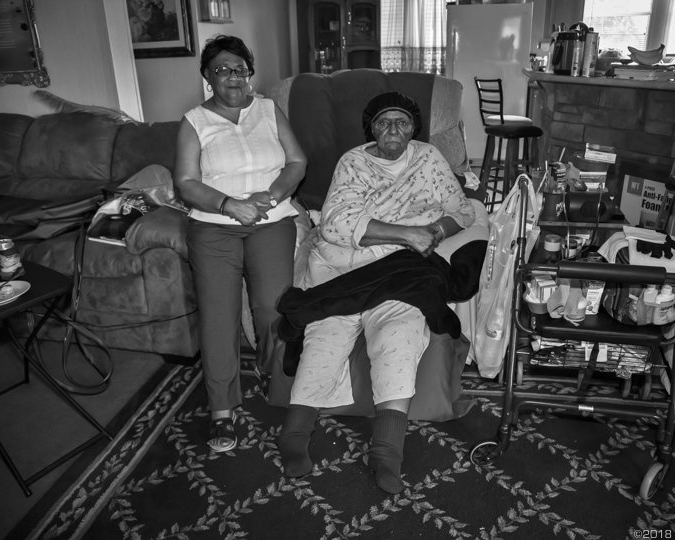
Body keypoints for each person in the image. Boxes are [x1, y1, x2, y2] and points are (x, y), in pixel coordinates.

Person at [277, 92, 475, 493]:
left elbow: (463, 209)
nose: (392, 131)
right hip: (344, 265)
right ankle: (294, 437)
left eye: (402, 122)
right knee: (325, 336)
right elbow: (334, 224)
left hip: (401, 271)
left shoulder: (428, 159)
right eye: (383, 122)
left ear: (414, 128)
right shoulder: (353, 161)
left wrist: (435, 232)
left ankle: (386, 452)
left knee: (397, 339)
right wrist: (408, 233)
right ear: (371, 127)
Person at [174, 35, 307, 453]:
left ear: (250, 72)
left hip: (271, 221)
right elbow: (185, 182)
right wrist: (229, 204)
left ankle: (277, 382)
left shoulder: (268, 109)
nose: (233, 77)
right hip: (213, 226)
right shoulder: (194, 121)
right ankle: (221, 410)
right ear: (207, 77)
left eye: (240, 68)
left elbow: (297, 161)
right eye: (222, 69)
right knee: (219, 316)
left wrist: (267, 198)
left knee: (273, 308)